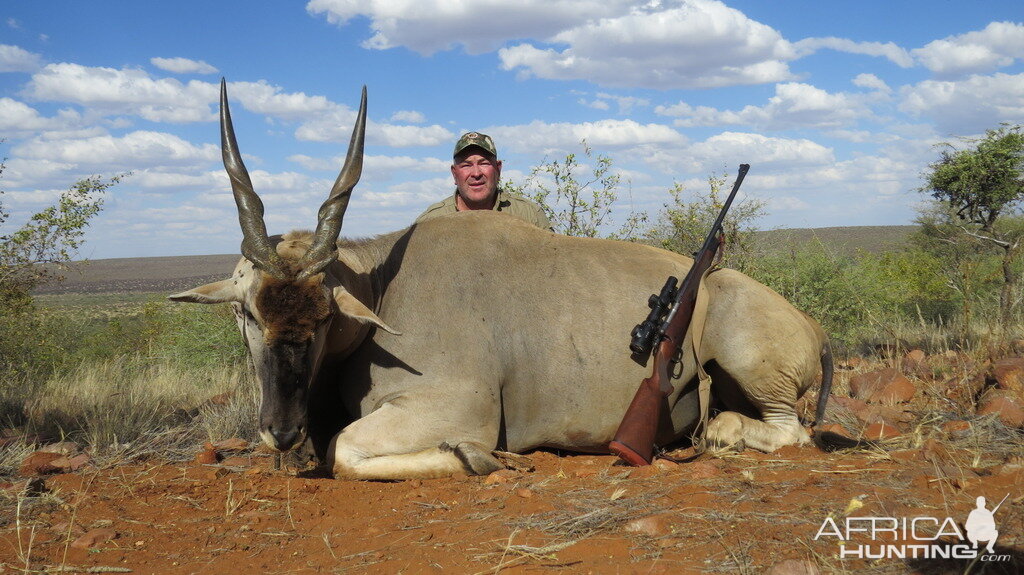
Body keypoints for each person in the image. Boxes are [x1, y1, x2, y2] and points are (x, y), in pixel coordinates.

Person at [416, 132, 552, 230]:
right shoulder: (429, 221)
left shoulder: (529, 215)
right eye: (466, 165)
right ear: (454, 174)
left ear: (498, 169)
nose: (476, 173)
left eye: (484, 163)